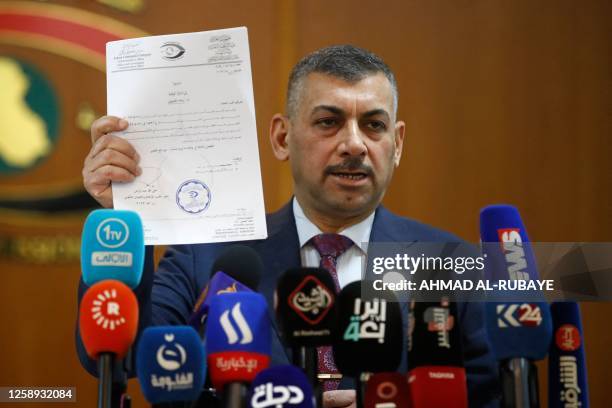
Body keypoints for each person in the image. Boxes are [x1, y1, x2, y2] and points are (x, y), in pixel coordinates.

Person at [79, 45, 499, 407]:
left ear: (397, 143)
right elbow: (122, 357)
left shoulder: (451, 262)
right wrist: (128, 218)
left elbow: (491, 393)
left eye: (374, 125)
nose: (354, 144)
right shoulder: (206, 253)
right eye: (328, 121)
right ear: (282, 138)